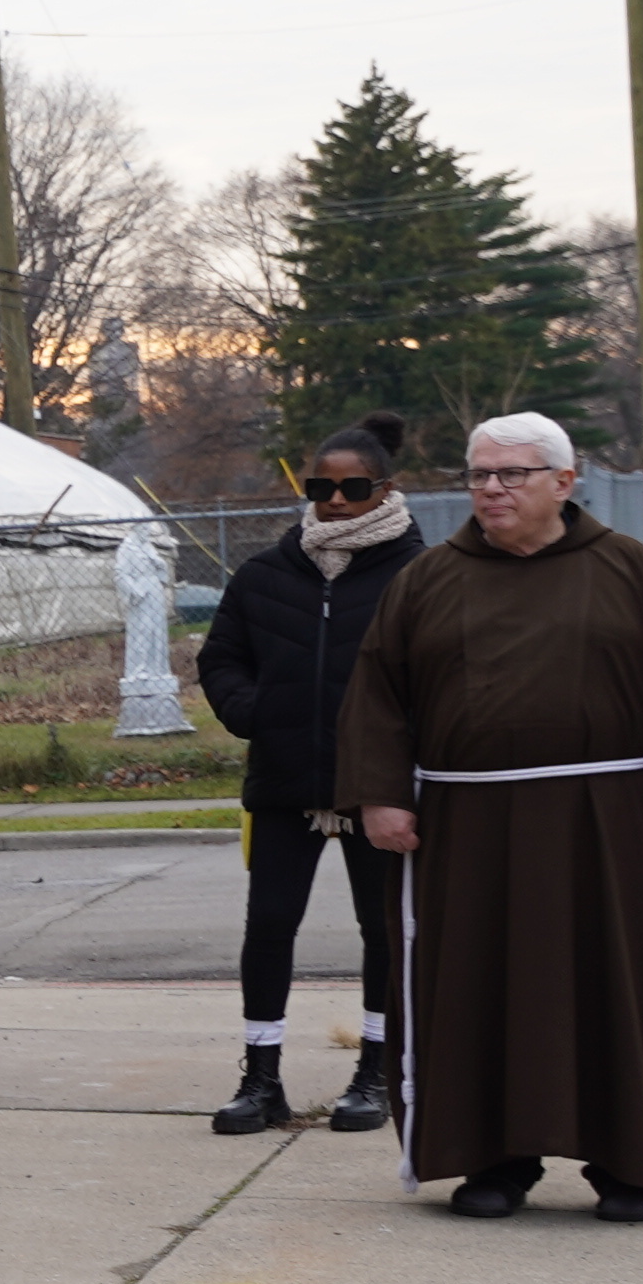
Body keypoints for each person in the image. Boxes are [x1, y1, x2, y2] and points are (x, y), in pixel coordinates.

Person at [339, 411, 643, 1220]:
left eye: (511, 474)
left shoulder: (635, 572)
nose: (491, 489)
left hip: (612, 823)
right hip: (468, 827)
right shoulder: (426, 581)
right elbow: (379, 694)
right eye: (479, 475)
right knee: (479, 989)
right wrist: (380, 795)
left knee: (623, 986)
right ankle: (492, 1159)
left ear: (565, 481)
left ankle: (630, 1163)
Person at [192, 418, 417, 1134]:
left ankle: (376, 1073)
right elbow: (220, 658)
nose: (337, 501)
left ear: (385, 489)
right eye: (322, 487)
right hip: (284, 785)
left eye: (354, 488)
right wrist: (258, 710)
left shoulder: (420, 575)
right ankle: (261, 1079)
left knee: (382, 932)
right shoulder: (265, 574)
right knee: (269, 927)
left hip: (376, 789)